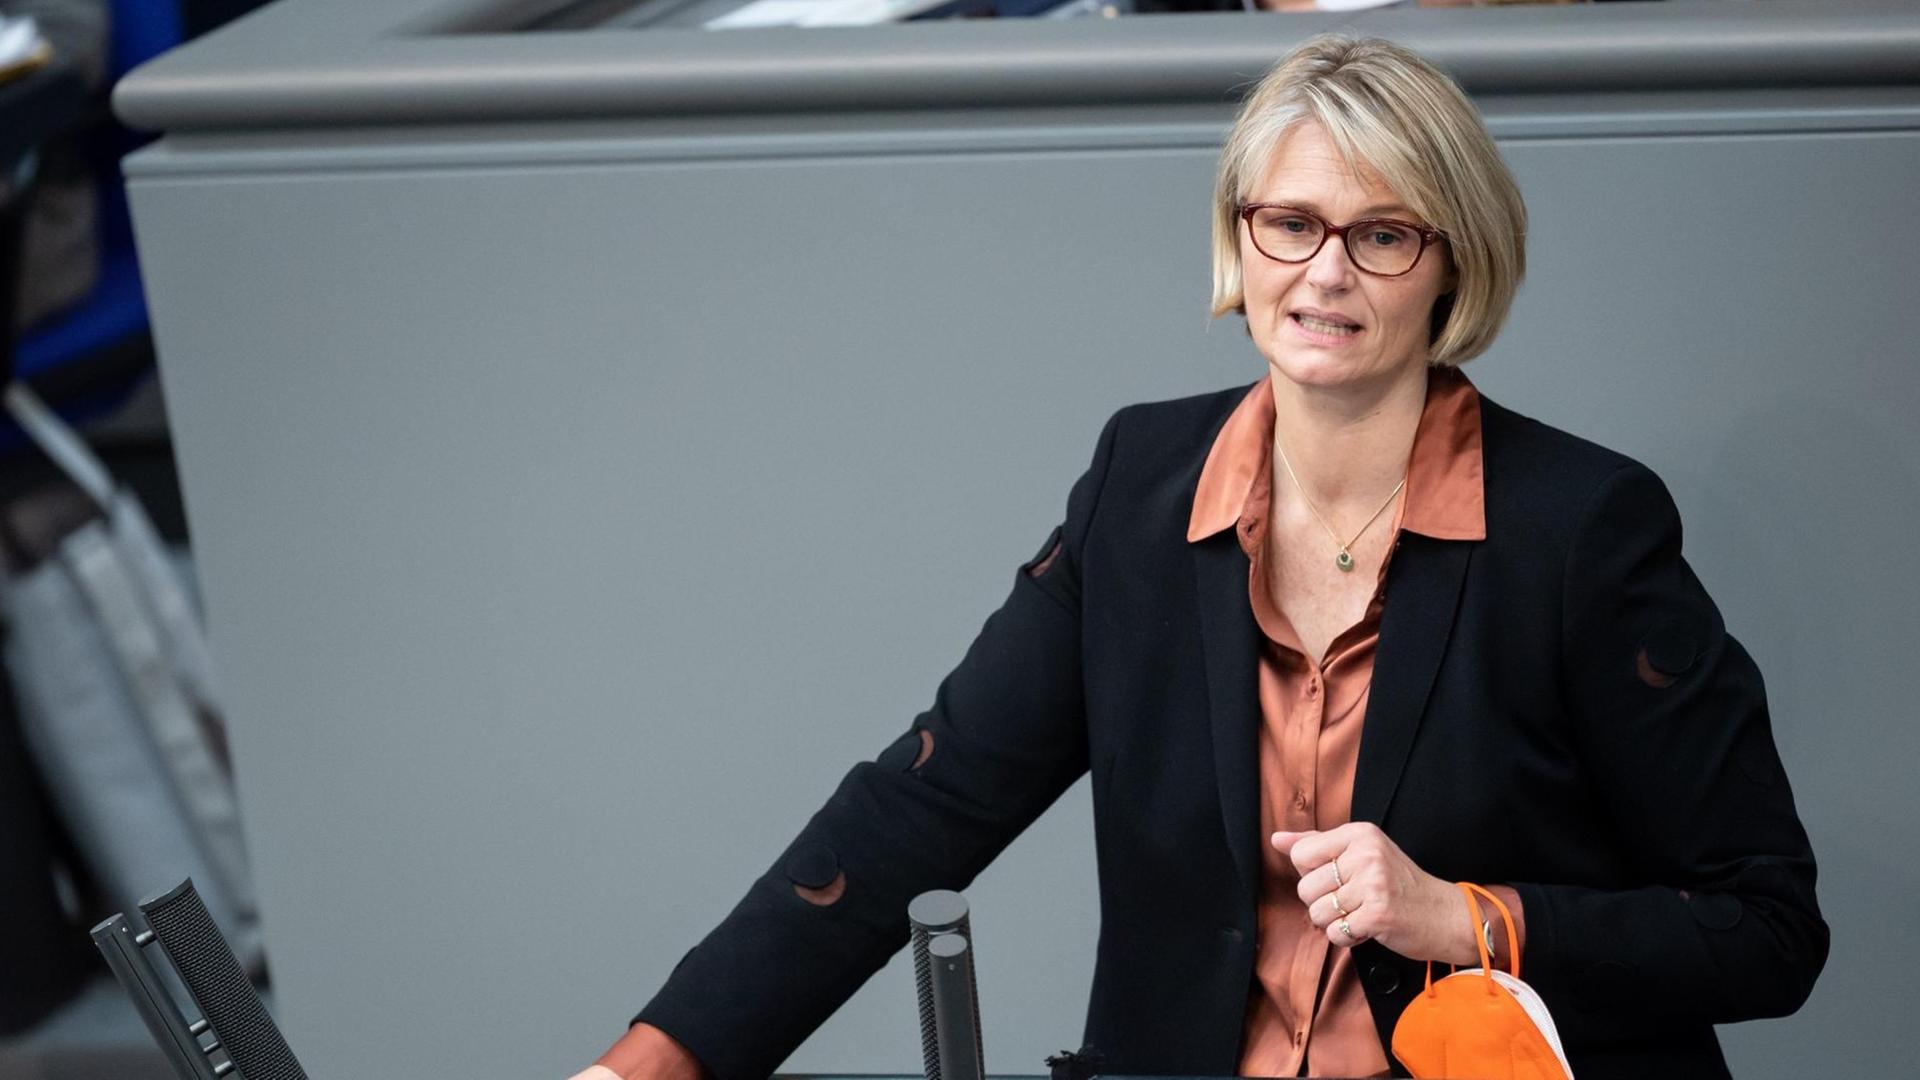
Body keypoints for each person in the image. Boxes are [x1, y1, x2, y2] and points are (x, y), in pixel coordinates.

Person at [572, 34, 1826, 1080]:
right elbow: (924, 807)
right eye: (1292, 223)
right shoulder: (1141, 491)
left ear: (1452, 263)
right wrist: (659, 1061)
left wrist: (1468, 918)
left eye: (1383, 233)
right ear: (1243, 237)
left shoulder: (1581, 527)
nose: (1326, 272)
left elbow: (1767, 929)